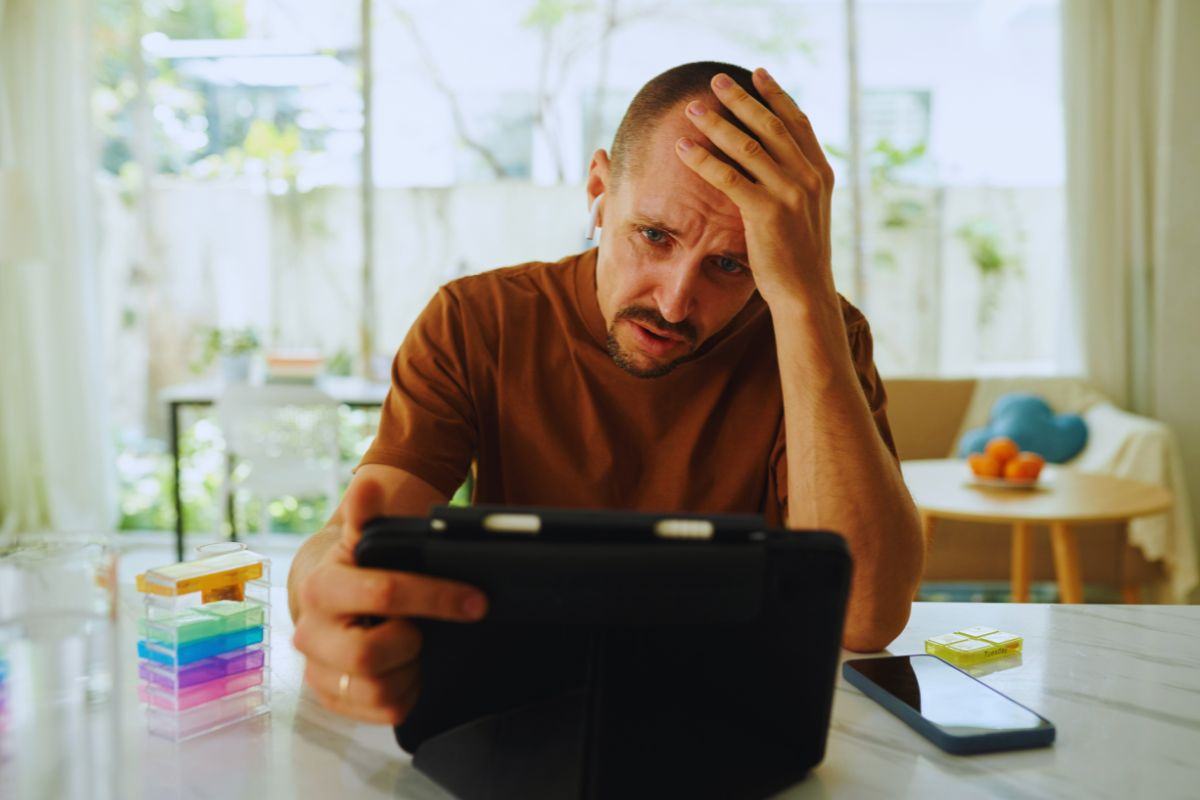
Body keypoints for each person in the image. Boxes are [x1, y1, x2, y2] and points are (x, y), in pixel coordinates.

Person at [288, 61, 925, 725]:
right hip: (521, 711)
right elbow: (349, 542)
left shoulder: (816, 329)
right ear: (599, 191)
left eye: (731, 265)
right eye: (655, 236)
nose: (675, 302)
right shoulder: (479, 320)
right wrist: (322, 590)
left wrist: (804, 299)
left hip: (732, 714)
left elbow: (865, 617)